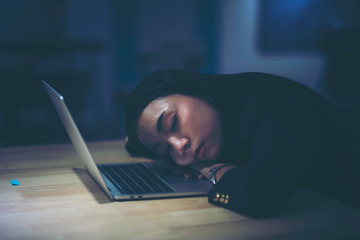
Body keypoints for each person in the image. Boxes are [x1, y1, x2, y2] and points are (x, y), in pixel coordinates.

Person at [124, 70, 360, 218]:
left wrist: (214, 169)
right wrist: (137, 144)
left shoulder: (281, 106)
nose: (178, 146)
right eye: (165, 150)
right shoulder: (225, 124)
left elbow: (260, 197)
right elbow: (134, 146)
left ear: (199, 93)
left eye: (173, 122)